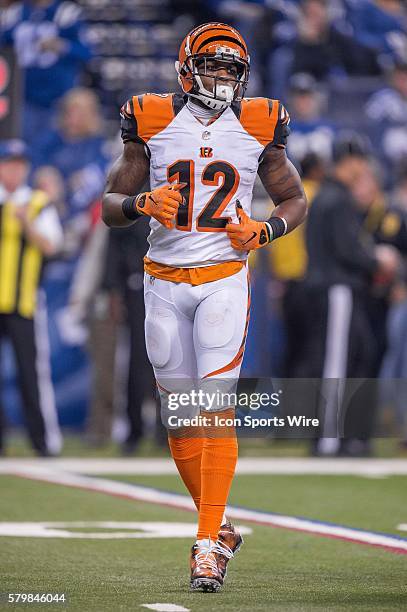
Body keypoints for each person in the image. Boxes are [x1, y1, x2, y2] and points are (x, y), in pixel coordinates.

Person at [102, 22, 307, 592]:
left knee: (213, 408)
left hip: (223, 278)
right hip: (162, 280)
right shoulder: (151, 116)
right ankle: (221, 526)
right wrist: (142, 202)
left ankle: (205, 545)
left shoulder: (260, 121)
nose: (223, 77)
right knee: (180, 415)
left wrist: (265, 230)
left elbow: (293, 197)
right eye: (213, 66)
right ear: (186, 67)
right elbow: (109, 205)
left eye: (231, 69)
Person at [303, 136, 400, 456]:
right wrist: (377, 260)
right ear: (350, 162)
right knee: (335, 363)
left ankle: (345, 436)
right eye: (359, 161)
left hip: (332, 287)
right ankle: (328, 439)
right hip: (336, 289)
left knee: (353, 355)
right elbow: (347, 250)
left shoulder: (328, 195)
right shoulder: (336, 197)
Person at [0, 139, 63, 456]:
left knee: (30, 374)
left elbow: (52, 245)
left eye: (19, 165)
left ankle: (43, 443)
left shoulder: (38, 203)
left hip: (24, 301)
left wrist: (26, 223)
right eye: (8, 164)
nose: (13, 170)